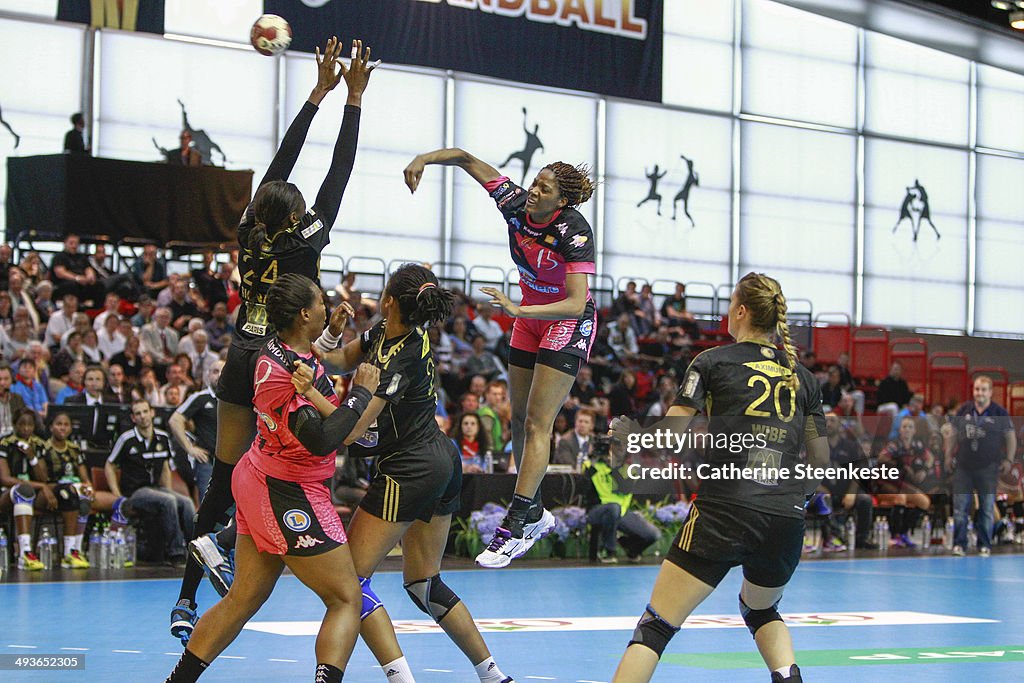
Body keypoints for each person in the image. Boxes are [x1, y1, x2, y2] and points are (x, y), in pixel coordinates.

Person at [173, 36, 374, 644]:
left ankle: (187, 597)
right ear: (297, 217)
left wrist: (315, 96)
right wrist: (354, 101)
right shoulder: (306, 239)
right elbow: (340, 170)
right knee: (288, 461)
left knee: (230, 472)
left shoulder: (248, 228)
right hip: (281, 366)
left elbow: (280, 166)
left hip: (239, 355)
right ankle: (274, 544)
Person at [610, 272, 827, 683]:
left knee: (656, 626)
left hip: (724, 510)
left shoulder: (711, 361)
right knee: (761, 609)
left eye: (730, 304)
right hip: (785, 517)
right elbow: (820, 459)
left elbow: (671, 437)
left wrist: (631, 435)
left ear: (741, 311)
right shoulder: (804, 377)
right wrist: (791, 501)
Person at [302, 264, 514, 683]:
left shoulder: (401, 358)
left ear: (389, 300)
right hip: (439, 459)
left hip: (409, 468)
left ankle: (401, 679)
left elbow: (354, 432)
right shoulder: (387, 329)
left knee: (349, 582)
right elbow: (340, 359)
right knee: (423, 582)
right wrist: (331, 334)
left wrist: (309, 391)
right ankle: (493, 676)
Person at [165, 274, 378, 683]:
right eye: (321, 303)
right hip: (288, 490)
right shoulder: (292, 376)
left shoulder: (276, 350)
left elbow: (310, 360)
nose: (326, 308)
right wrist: (361, 394)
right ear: (303, 314)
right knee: (346, 598)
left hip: (260, 476)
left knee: (242, 598)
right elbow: (323, 438)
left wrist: (332, 335)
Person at [405, 145, 597, 569]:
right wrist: (423, 159)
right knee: (519, 420)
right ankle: (535, 510)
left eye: (544, 188)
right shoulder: (513, 202)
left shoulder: (574, 232)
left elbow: (576, 301)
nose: (533, 190)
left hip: (564, 321)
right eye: (534, 181)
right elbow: (467, 158)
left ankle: (515, 521)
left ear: (561, 201)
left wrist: (517, 309)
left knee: (537, 422)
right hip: (528, 318)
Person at [105, 399, 194, 565]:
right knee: (169, 500)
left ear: (152, 413)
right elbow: (109, 465)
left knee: (186, 502)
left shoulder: (163, 437)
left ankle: (194, 547)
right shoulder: (126, 439)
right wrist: (116, 494)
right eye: (138, 413)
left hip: (157, 489)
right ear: (133, 418)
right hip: (135, 492)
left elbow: (166, 467)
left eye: (145, 412)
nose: (143, 416)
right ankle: (176, 553)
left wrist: (167, 489)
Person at [946, 376, 1016, 557]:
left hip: (988, 467)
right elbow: (952, 434)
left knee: (986, 507)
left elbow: (1010, 437)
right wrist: (948, 455)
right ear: (973, 391)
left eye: (984, 390)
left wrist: (1008, 460)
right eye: (977, 389)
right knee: (960, 507)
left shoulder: (999, 412)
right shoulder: (964, 410)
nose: (980, 393)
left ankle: (984, 544)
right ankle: (959, 544)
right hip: (964, 466)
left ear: (990, 392)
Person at [0, 408, 52, 570]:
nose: (26, 428)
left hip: (34, 491)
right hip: (6, 493)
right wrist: (41, 486)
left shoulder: (39, 444)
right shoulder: (4, 444)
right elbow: (5, 479)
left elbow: (44, 478)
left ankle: (73, 550)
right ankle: (25, 552)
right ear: (14, 425)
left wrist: (32, 457)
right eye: (21, 424)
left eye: (30, 425)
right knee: (24, 491)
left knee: (67, 495)